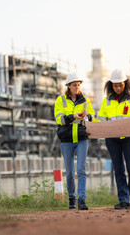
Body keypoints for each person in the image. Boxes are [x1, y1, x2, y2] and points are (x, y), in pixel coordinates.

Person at [97, 69, 130, 210]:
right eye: (115, 85)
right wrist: (93, 126)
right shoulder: (106, 102)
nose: (118, 88)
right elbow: (101, 120)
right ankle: (124, 200)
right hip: (112, 139)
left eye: (121, 85)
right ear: (111, 85)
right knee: (118, 170)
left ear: (125, 84)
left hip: (129, 137)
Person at [54, 73, 95, 210]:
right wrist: (72, 116)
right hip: (67, 140)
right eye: (74, 85)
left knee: (81, 170)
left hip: (82, 138)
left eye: (78, 84)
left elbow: (92, 118)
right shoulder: (61, 100)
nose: (77, 87)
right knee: (70, 172)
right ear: (68, 86)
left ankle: (81, 200)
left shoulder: (85, 100)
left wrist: (87, 116)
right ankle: (72, 198)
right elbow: (59, 118)